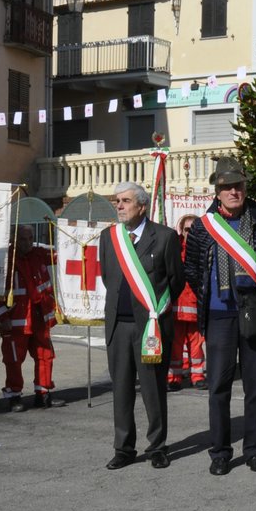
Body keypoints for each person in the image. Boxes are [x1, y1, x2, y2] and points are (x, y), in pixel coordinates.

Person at [186, 157, 256, 475]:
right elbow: (192, 268)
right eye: (226, 187)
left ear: (245, 187)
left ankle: (255, 449)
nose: (233, 191)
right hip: (218, 315)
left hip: (254, 314)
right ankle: (220, 452)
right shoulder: (203, 226)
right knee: (219, 387)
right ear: (217, 191)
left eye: (237, 186)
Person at [99, 182, 183, 470]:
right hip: (118, 327)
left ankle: (157, 446)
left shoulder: (164, 237)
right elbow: (107, 277)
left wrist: (153, 309)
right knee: (121, 389)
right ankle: (124, 448)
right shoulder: (109, 238)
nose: (119, 206)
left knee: (153, 389)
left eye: (125, 201)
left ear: (142, 206)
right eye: (117, 201)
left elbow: (176, 281)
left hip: (150, 327)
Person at [0, 225, 59, 412]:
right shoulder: (5, 260)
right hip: (15, 321)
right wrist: (2, 317)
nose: (27, 243)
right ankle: (14, 396)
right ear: (14, 239)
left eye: (30, 238)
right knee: (14, 360)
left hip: (39, 316)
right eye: (23, 239)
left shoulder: (39, 255)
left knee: (45, 355)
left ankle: (43, 393)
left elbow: (65, 253)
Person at [168, 215, 207, 390]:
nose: (190, 233)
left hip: (196, 306)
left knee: (197, 345)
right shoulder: (174, 249)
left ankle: (197, 376)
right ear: (181, 230)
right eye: (186, 229)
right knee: (175, 346)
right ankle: (174, 377)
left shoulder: (204, 249)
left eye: (193, 229)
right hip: (177, 307)